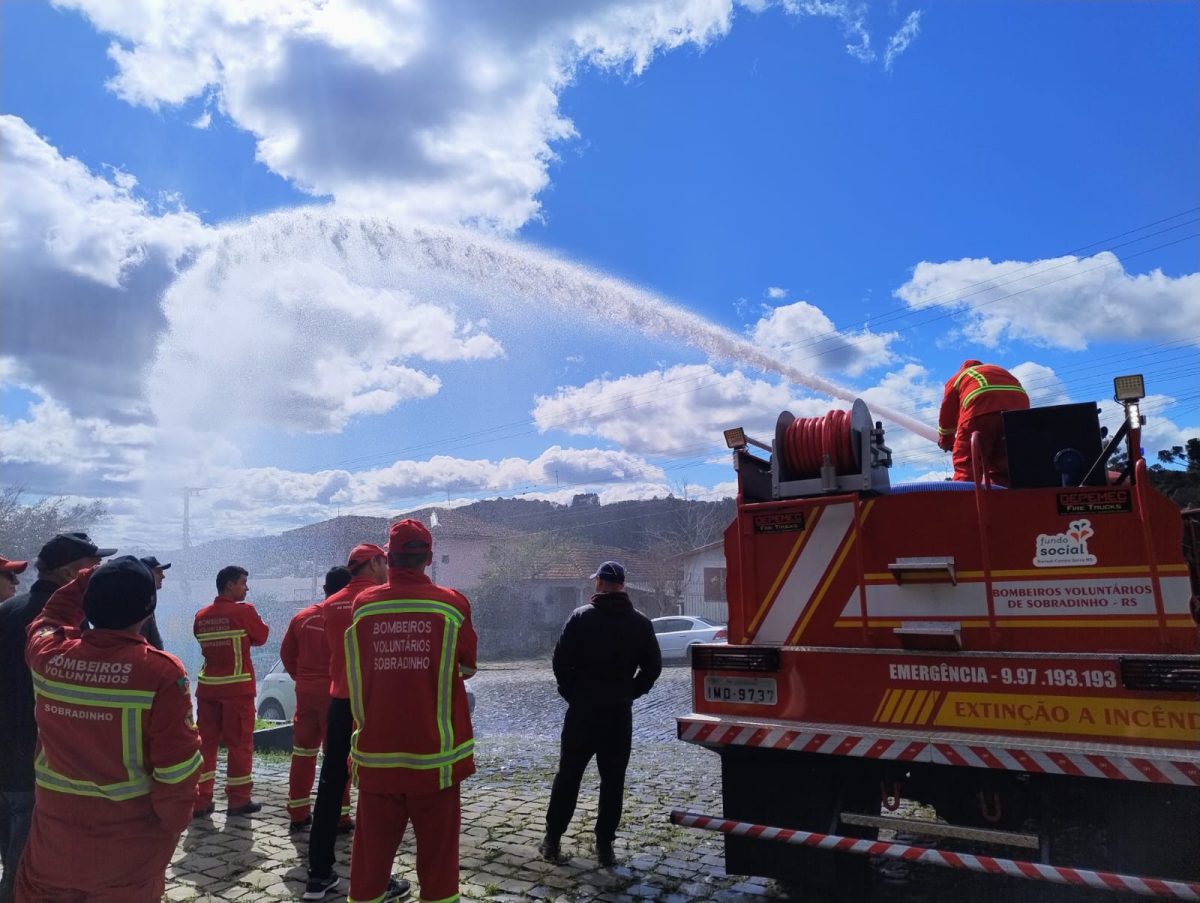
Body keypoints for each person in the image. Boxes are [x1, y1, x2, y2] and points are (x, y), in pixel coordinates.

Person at [16, 557, 201, 903]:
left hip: (52, 849)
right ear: (148, 611)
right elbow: (177, 770)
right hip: (127, 859)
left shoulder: (47, 654)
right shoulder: (160, 673)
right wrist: (172, 827)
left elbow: (48, 618)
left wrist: (89, 577)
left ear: (89, 604)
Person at [343, 520, 476, 903]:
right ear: (429, 558)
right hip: (436, 758)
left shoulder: (363, 606)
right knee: (438, 863)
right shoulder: (452, 603)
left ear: (390, 557)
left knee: (369, 865)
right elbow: (466, 667)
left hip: (378, 755)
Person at [0, 532, 115, 903]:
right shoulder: (69, 628)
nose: (96, 572)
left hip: (5, 753)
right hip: (40, 758)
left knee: (9, 841)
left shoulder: (6, 610)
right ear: (68, 574)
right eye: (90, 566)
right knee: (30, 853)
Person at [306, 545, 412, 902]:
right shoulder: (378, 600)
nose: (389, 567)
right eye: (385, 561)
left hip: (339, 702)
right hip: (373, 705)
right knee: (376, 790)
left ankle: (318, 876)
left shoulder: (329, 604)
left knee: (331, 785)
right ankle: (377, 881)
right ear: (374, 563)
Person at [540, 560, 662, 867]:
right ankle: (605, 846)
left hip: (582, 712)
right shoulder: (641, 623)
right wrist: (630, 693)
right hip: (618, 715)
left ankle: (552, 840)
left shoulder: (580, 618)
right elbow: (652, 669)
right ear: (623, 585)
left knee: (568, 775)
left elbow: (560, 661)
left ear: (598, 584)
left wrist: (572, 693)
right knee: (613, 780)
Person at [192, 565, 268, 817]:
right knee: (240, 745)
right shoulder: (243, 612)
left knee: (206, 746)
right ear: (228, 585)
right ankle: (238, 800)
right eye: (243, 582)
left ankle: (201, 801)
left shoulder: (201, 615)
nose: (247, 587)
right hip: (237, 690)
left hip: (207, 690)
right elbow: (262, 636)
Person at [280, 565, 352, 833]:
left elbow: (287, 654)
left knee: (303, 753)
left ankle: (298, 813)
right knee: (337, 757)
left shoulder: (302, 617)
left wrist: (302, 678)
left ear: (324, 589)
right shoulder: (349, 618)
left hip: (306, 695)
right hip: (336, 696)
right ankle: (341, 818)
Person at [937, 359, 1030, 486]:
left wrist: (946, 440)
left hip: (981, 410)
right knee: (1004, 467)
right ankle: (1004, 500)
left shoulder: (958, 377)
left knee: (968, 467)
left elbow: (947, 413)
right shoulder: (999, 371)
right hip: (1019, 416)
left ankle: (964, 501)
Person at [137, 556, 170, 650]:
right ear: (146, 574)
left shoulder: (146, 599)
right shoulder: (140, 605)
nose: (163, 576)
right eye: (158, 572)